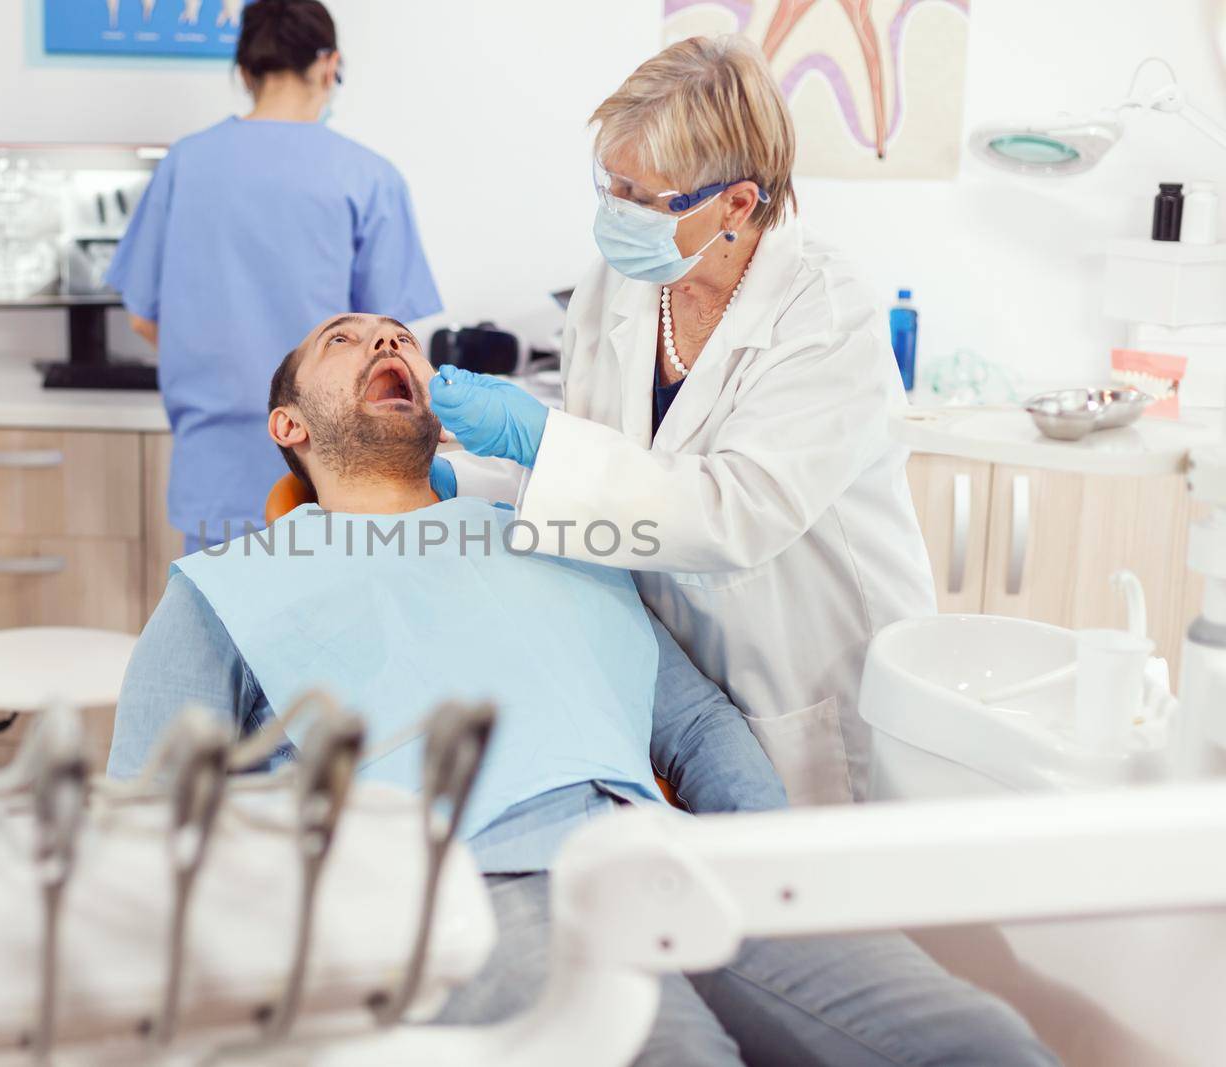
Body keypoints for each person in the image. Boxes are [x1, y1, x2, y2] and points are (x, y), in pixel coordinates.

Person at [108, 313, 1055, 1067]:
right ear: (290, 426)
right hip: (461, 890)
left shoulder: (548, 532)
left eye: (396, 332)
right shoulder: (230, 586)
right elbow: (140, 825)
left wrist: (772, 870)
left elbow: (694, 726)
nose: (387, 340)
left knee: (981, 1042)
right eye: (343, 340)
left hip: (658, 855)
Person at [426, 35, 936, 807]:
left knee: (814, 902)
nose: (617, 214)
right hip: (684, 684)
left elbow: (733, 512)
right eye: (610, 184)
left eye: (645, 198)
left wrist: (538, 437)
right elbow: (598, 462)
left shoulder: (825, 315)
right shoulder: (622, 282)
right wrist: (458, 474)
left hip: (812, 682)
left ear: (738, 202)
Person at [105, 0, 441, 552]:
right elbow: (389, 346)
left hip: (214, 469)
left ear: (244, 72)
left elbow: (144, 317)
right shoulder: (367, 177)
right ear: (330, 66)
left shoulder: (185, 164)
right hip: (333, 471)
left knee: (219, 626)